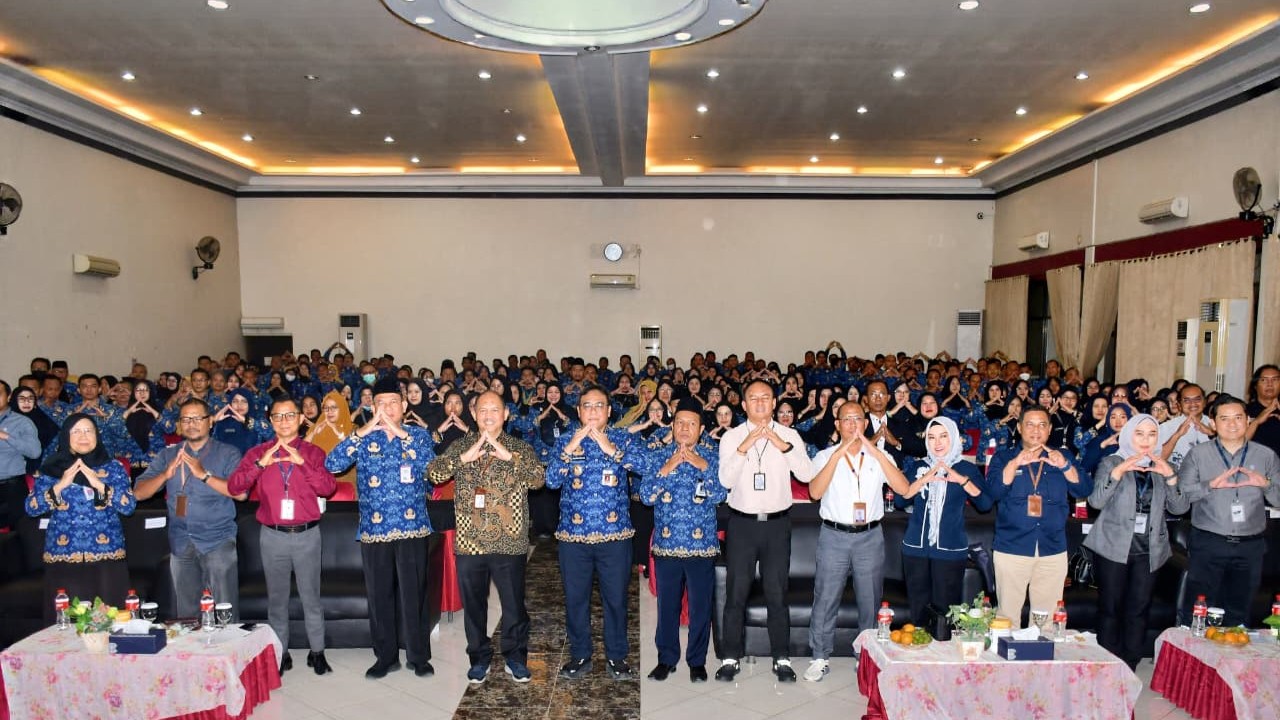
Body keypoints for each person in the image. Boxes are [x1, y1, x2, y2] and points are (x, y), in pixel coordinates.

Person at [427, 391, 545, 684]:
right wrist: (462, 460)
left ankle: (515, 657)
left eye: (495, 410)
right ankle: (479, 658)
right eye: (483, 410)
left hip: (510, 540)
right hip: (469, 541)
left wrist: (509, 458)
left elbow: (538, 479)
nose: (488, 415)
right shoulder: (460, 446)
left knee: (514, 605)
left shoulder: (519, 447)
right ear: (474, 414)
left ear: (505, 415)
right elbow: (434, 474)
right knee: (474, 606)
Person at [324, 377, 437, 679]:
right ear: (372, 407)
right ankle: (385, 657)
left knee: (414, 595)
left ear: (404, 405)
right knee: (379, 596)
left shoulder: (418, 435)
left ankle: (418, 656)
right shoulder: (363, 438)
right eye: (380, 404)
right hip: (374, 531)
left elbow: (433, 471)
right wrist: (362, 430)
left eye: (393, 403)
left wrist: (399, 433)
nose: (386, 409)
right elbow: (332, 464)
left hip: (412, 528)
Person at [227, 397, 337, 676]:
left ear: (301, 419)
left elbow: (328, 487)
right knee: (276, 600)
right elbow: (235, 486)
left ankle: (318, 652)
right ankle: (281, 653)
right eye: (278, 416)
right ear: (270, 421)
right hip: (272, 536)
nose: (284, 421)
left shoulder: (312, 452)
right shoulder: (257, 452)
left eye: (290, 415)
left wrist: (301, 463)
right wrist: (260, 464)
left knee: (311, 597)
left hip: (307, 535)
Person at [803, 401, 909, 683]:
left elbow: (904, 489)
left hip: (870, 536)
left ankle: (867, 658)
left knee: (870, 600)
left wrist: (875, 450)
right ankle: (819, 657)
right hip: (834, 535)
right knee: (825, 598)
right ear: (837, 425)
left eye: (857, 419)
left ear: (866, 424)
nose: (852, 424)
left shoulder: (878, 457)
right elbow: (814, 492)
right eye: (846, 419)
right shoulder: (825, 455)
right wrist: (838, 455)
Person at [716, 381, 815, 683]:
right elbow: (725, 480)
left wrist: (780, 444)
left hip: (777, 525)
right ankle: (730, 657)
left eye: (765, 398)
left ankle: (781, 658)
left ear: (774, 403)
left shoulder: (789, 435)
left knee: (777, 593)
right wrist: (744, 448)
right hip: (742, 525)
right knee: (736, 593)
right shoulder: (731, 437)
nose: (759, 403)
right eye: (753, 399)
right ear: (743, 405)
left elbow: (808, 475)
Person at [545, 385, 637, 681]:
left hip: (615, 537)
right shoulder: (566, 441)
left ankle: (617, 657)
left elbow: (646, 467)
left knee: (615, 600)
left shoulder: (623, 437)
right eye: (587, 406)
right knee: (575, 599)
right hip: (573, 538)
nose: (594, 411)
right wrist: (569, 449)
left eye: (600, 406)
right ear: (579, 410)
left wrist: (613, 451)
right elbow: (549, 481)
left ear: (610, 411)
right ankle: (580, 654)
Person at [1084, 414, 1186, 669]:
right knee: (1110, 608)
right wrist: (1119, 472)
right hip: (1112, 547)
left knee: (1139, 609)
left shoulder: (1163, 465)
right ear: (1129, 435)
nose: (1146, 440)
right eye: (1139, 434)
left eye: (1152, 434)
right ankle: (1107, 663)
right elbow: (1095, 502)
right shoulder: (1111, 462)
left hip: (1149, 549)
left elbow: (1180, 507)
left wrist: (1170, 477)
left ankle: (1129, 664)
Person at [636, 398, 724, 683]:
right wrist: (668, 467)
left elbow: (720, 495)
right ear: (672, 426)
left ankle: (697, 661)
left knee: (700, 607)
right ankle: (666, 659)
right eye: (680, 423)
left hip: (702, 546)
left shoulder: (712, 455)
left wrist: (702, 467)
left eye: (692, 424)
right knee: (667, 607)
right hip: (667, 544)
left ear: (700, 429)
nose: (685, 428)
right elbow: (647, 496)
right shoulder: (657, 456)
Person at [134, 399, 244, 618]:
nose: (191, 424)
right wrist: (165, 475)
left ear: (210, 421)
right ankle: (193, 652)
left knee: (224, 609)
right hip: (181, 540)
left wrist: (204, 475)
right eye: (186, 419)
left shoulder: (228, 453)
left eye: (197, 418)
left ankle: (228, 652)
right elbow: (138, 492)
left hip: (217, 540)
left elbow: (240, 493)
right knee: (187, 612)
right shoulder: (168, 455)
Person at [1177, 394, 1280, 627]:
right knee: (1198, 611)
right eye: (1224, 419)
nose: (1232, 424)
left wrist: (1265, 484)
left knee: (1239, 613)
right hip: (1209, 542)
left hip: (1250, 545)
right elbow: (1180, 499)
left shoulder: (1265, 456)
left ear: (1247, 420)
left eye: (1238, 418)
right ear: (1213, 423)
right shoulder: (1198, 455)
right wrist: (1209, 486)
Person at [985, 406, 1093, 627]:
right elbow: (993, 492)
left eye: (1042, 425)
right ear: (1019, 427)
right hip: (1011, 548)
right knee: (1007, 617)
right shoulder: (1004, 457)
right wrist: (1015, 464)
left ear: (1050, 428)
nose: (1036, 430)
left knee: (1045, 620)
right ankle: (1006, 661)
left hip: (1051, 549)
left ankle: (1039, 660)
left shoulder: (1062, 457)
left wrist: (1064, 466)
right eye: (1030, 424)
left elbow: (1084, 489)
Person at [25, 414, 136, 619]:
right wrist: (60, 485)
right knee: (67, 621)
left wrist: (99, 484)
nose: (83, 436)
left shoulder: (113, 468)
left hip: (107, 555)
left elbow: (128, 506)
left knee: (110, 620)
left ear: (97, 435)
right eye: (76, 431)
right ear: (66, 436)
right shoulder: (51, 468)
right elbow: (31, 508)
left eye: (88, 430)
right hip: (63, 553)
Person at [895, 417, 992, 633]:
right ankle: (919, 658)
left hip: (950, 550)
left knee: (945, 614)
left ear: (954, 437)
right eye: (931, 437)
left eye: (943, 436)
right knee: (918, 613)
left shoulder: (966, 468)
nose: (937, 443)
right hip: (915, 549)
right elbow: (900, 501)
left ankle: (942, 658)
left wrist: (961, 480)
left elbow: (985, 504)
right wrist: (924, 479)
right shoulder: (919, 467)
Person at [0, 380, 42, 531]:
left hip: (11, 487)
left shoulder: (22, 422)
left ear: (9, 396)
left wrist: (7, 437)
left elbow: (34, 451)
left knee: (15, 537)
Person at [306, 390, 357, 500]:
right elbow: (300, 450)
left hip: (346, 484)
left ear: (342, 408)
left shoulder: (354, 429)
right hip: (319, 484)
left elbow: (355, 450)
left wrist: (337, 432)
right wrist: (313, 433)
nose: (330, 411)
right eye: (326, 408)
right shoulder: (316, 428)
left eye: (334, 407)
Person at [1160, 383, 1214, 468]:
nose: (1193, 404)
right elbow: (1158, 459)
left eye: (1197, 399)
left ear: (1204, 402)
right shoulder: (1167, 427)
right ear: (1179, 405)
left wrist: (1212, 433)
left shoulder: (1215, 425)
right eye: (1187, 401)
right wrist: (1176, 435)